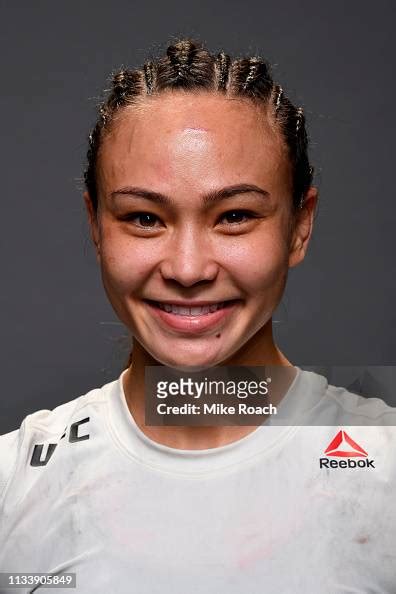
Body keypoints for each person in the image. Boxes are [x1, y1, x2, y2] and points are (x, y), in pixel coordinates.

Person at [0, 38, 395, 593]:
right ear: (95, 225)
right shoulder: (14, 485)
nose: (188, 269)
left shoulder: (385, 468)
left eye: (234, 216)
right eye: (143, 218)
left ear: (300, 225)